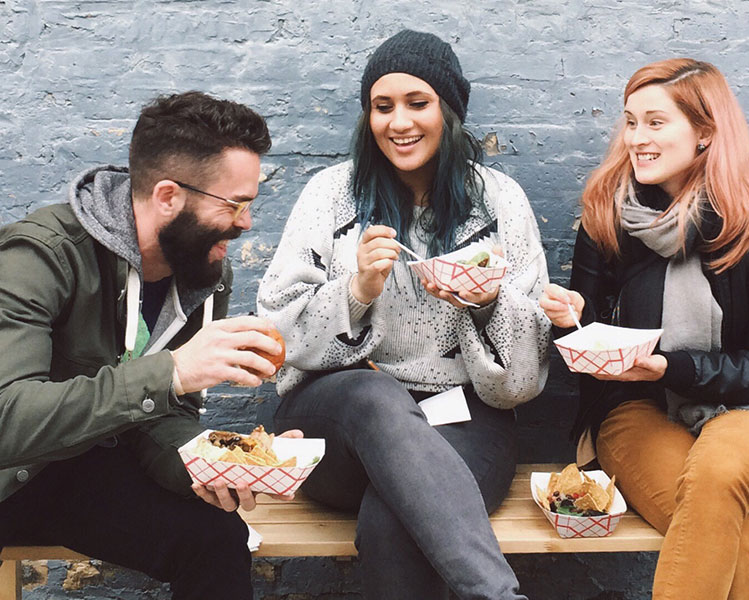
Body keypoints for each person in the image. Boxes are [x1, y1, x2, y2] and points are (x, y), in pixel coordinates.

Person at [257, 29, 550, 600]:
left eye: (418, 103)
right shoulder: (329, 195)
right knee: (378, 398)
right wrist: (357, 289)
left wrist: (487, 302)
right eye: (382, 106)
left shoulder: (500, 202)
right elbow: (275, 335)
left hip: (466, 417)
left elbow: (520, 381)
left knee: (394, 523)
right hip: (336, 420)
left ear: (450, 112)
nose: (399, 122)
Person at [0, 91, 289, 599]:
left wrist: (208, 465)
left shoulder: (202, 274)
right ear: (168, 196)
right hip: (9, 477)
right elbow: (7, 419)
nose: (246, 222)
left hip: (77, 471)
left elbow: (161, 415)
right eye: (234, 204)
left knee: (216, 536)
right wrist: (171, 372)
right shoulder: (42, 255)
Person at [540, 59, 749, 599]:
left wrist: (672, 366)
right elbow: (583, 353)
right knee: (724, 526)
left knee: (719, 470)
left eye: (655, 122)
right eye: (631, 122)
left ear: (705, 132)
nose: (636, 138)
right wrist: (570, 324)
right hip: (636, 410)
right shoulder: (606, 215)